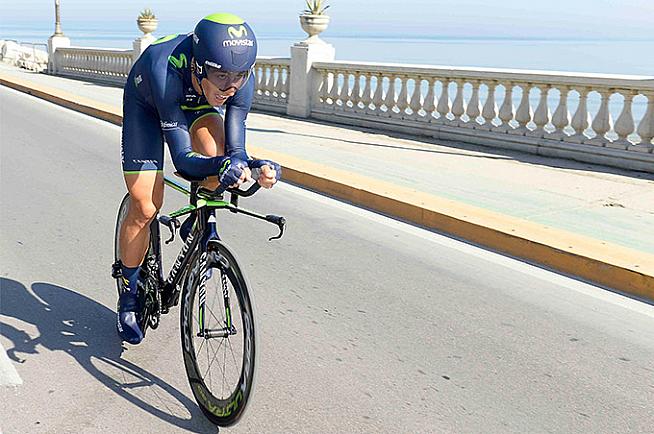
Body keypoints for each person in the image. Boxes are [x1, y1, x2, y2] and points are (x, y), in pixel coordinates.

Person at [116, 13, 281, 344]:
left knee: (219, 152)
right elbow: (183, 160)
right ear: (199, 66)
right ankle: (129, 293)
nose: (230, 87)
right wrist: (222, 165)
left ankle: (195, 225)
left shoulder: (237, 79)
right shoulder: (165, 70)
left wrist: (256, 165)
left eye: (239, 77)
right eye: (221, 77)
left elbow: (235, 150)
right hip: (149, 104)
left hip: (194, 103)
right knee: (146, 206)